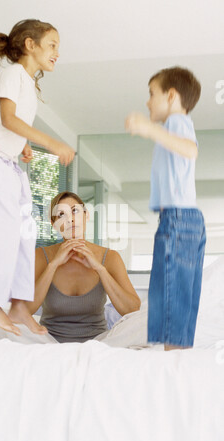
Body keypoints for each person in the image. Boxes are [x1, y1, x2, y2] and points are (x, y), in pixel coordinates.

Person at [0, 19, 75, 336]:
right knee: (2, 231)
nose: (57, 53)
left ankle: (20, 304)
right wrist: (51, 143)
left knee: (24, 232)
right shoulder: (13, 74)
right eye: (52, 45)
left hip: (6, 162)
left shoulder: (26, 83)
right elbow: (7, 118)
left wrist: (21, 143)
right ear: (29, 44)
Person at [0, 191, 142, 346]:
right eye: (61, 214)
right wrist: (53, 265)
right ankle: (59, 354)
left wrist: (100, 269)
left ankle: (88, 352)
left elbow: (132, 310)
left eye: (75, 211)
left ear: (86, 215)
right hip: (50, 342)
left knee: (147, 320)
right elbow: (24, 310)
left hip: (98, 343)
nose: (70, 219)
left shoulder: (110, 257)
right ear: (54, 223)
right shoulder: (41, 256)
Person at [125, 66, 206, 351]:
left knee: (171, 293)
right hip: (183, 218)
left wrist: (149, 129)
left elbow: (190, 150)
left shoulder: (176, 122)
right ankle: (175, 353)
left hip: (178, 218)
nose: (147, 101)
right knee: (177, 293)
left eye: (151, 94)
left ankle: (172, 359)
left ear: (171, 96)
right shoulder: (176, 125)